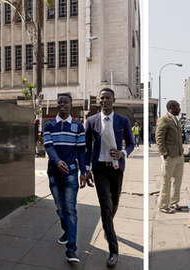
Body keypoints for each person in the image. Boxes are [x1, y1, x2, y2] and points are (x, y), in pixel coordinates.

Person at [85, 88, 134, 268]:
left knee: (115, 203)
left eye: (108, 98)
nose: (104, 101)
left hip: (116, 169)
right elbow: (87, 147)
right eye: (102, 98)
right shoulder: (91, 121)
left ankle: (108, 226)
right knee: (105, 206)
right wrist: (86, 169)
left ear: (113, 100)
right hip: (100, 170)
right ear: (98, 100)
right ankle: (113, 250)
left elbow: (130, 143)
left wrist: (122, 153)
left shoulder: (123, 120)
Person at [43, 93, 86, 263]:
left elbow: (82, 150)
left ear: (70, 105)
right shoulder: (49, 125)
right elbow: (48, 146)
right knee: (60, 208)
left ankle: (71, 249)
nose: (62, 105)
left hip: (71, 173)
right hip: (54, 171)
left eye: (65, 102)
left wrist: (83, 171)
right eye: (59, 102)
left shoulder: (78, 126)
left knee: (70, 210)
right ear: (57, 105)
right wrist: (57, 160)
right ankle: (66, 230)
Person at [155, 100, 184, 213]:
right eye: (178, 107)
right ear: (172, 107)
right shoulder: (164, 119)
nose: (179, 109)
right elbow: (159, 137)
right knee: (166, 181)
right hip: (169, 155)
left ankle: (174, 202)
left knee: (177, 180)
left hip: (178, 154)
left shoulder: (176, 120)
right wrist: (163, 152)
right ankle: (163, 205)